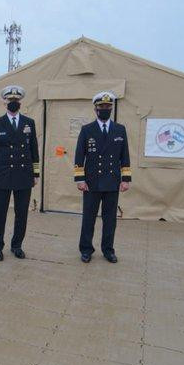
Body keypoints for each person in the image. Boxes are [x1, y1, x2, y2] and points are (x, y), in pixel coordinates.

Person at [74, 91, 131, 263]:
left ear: (111, 109)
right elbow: (79, 156)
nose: (105, 109)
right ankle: (86, 249)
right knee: (88, 218)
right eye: (101, 107)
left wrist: (126, 179)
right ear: (95, 109)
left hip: (112, 182)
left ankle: (108, 250)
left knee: (110, 220)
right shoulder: (87, 130)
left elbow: (125, 156)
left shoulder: (120, 129)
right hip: (91, 183)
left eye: (108, 107)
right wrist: (80, 179)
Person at [0, 85, 40, 261]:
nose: (13, 103)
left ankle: (17, 245)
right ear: (5, 102)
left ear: (20, 102)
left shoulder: (29, 123)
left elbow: (34, 149)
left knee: (21, 213)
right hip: (2, 174)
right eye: (10, 100)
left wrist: (36, 173)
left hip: (24, 175)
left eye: (16, 101)